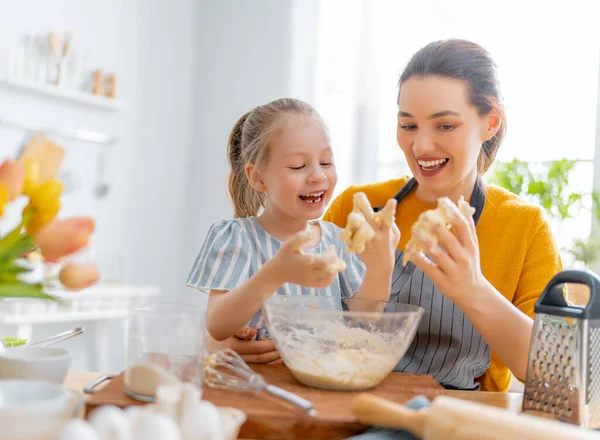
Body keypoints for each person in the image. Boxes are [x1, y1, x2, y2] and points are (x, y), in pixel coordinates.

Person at [323, 39, 562, 392]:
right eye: (408, 126)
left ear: (489, 123)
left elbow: (551, 369)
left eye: (445, 126)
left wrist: (473, 289)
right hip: (349, 406)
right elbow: (311, 326)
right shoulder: (358, 208)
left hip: (457, 420)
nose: (421, 147)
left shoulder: (524, 226)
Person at [186, 98, 399, 344]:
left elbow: (363, 323)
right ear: (258, 178)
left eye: (326, 162)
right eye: (298, 166)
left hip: (318, 379)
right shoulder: (238, 238)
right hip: (254, 381)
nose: (318, 176)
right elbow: (217, 325)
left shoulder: (338, 242)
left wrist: (381, 269)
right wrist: (275, 272)